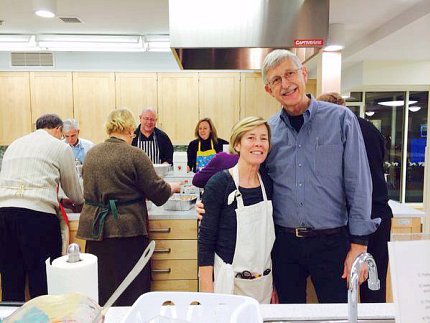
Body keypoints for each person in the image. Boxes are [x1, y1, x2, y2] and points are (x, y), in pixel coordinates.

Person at [261, 49, 380, 304]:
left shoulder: (340, 119)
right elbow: (254, 183)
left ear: (303, 74)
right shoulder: (268, 132)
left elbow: (359, 184)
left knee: (336, 315)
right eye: (276, 80)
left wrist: (359, 246)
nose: (285, 84)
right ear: (269, 90)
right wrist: (213, 201)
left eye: (290, 73)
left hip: (332, 244)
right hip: (284, 245)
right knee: (288, 318)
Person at [77, 108, 181, 307]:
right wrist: (171, 187)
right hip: (127, 230)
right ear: (131, 128)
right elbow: (157, 193)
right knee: (131, 289)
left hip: (96, 231)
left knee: (103, 288)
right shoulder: (135, 154)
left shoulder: (91, 154)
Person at [317, 92, 393, 303]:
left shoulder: (337, 131)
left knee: (347, 280)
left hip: (360, 215)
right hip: (379, 213)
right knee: (374, 282)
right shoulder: (371, 129)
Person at [0, 114, 84, 301]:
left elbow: (28, 179)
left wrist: (59, 197)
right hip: (36, 218)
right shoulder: (60, 147)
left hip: (4, 214)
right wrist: (76, 199)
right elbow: (76, 193)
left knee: (11, 279)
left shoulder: (15, 144)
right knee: (42, 281)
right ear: (58, 129)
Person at [198, 116, 275, 303]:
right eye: (251, 138)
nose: (258, 144)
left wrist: (275, 287)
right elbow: (206, 243)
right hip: (229, 286)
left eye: (263, 138)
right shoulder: (220, 183)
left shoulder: (268, 183)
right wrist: (206, 295)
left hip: (263, 284)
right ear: (238, 144)